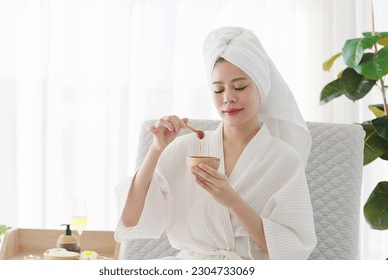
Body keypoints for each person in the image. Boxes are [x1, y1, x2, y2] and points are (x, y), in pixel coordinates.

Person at [114, 26, 317, 260]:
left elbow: (292, 249)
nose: (228, 97)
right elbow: (131, 219)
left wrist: (231, 200)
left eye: (240, 87)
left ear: (261, 88)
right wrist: (156, 149)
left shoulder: (283, 159)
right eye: (218, 89)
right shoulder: (185, 150)